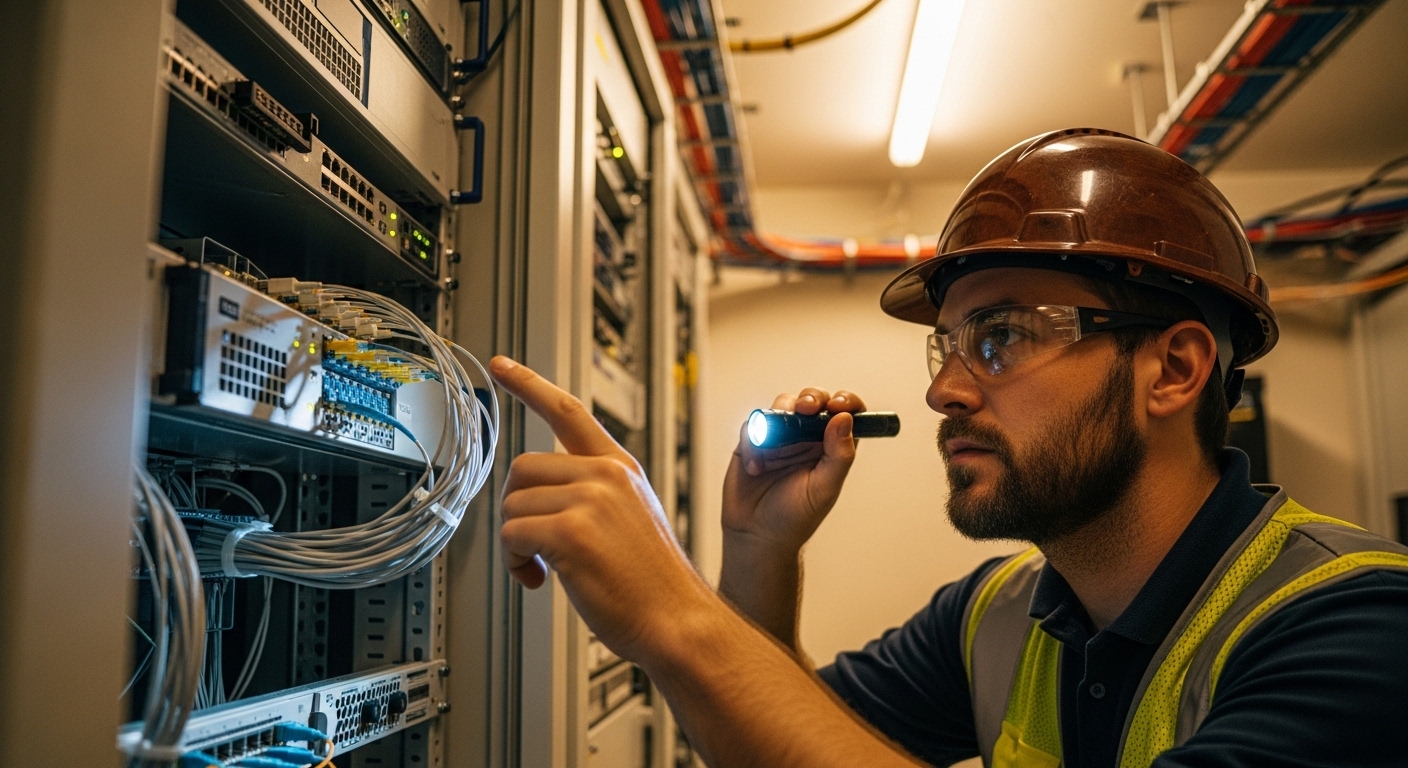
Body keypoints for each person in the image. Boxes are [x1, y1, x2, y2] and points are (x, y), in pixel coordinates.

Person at [487, 129, 1408, 767]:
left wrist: (678, 620)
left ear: (1173, 368)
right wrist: (761, 553)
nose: (943, 388)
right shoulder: (998, 614)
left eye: (1001, 337)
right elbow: (776, 741)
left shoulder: (1359, 631)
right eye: (949, 344)